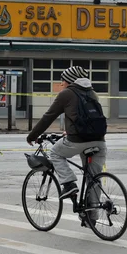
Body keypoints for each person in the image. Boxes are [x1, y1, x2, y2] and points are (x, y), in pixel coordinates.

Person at [27, 66, 107, 200]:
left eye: (63, 80)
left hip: (78, 140)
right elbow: (88, 118)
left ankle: (69, 184)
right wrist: (69, 129)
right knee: (94, 179)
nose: (61, 83)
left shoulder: (67, 93)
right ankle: (91, 218)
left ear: (70, 80)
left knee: (55, 153)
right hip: (99, 140)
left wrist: (32, 135)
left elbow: (49, 116)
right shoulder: (92, 93)